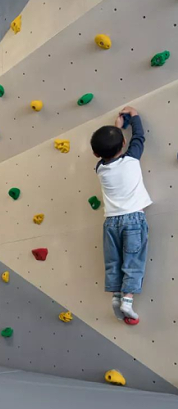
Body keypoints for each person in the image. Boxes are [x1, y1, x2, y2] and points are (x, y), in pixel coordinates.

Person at [90, 106, 152, 324]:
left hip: (111, 223)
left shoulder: (100, 168)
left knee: (113, 262)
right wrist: (134, 115)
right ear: (124, 143)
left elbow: (120, 146)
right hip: (133, 220)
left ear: (96, 154)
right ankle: (127, 300)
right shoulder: (132, 159)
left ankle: (116, 297)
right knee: (133, 262)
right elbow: (139, 137)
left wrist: (116, 128)